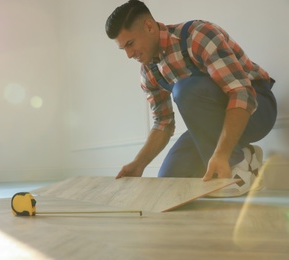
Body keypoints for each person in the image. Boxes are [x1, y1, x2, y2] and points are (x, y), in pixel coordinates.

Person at [105, 0, 277, 197]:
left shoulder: (198, 35)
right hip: (213, 124)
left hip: (258, 108)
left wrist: (222, 155)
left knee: (185, 89)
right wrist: (138, 164)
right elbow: (163, 123)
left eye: (130, 44)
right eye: (123, 49)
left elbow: (241, 93)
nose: (128, 55)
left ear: (149, 27)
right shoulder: (148, 71)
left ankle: (237, 164)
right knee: (170, 182)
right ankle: (248, 156)